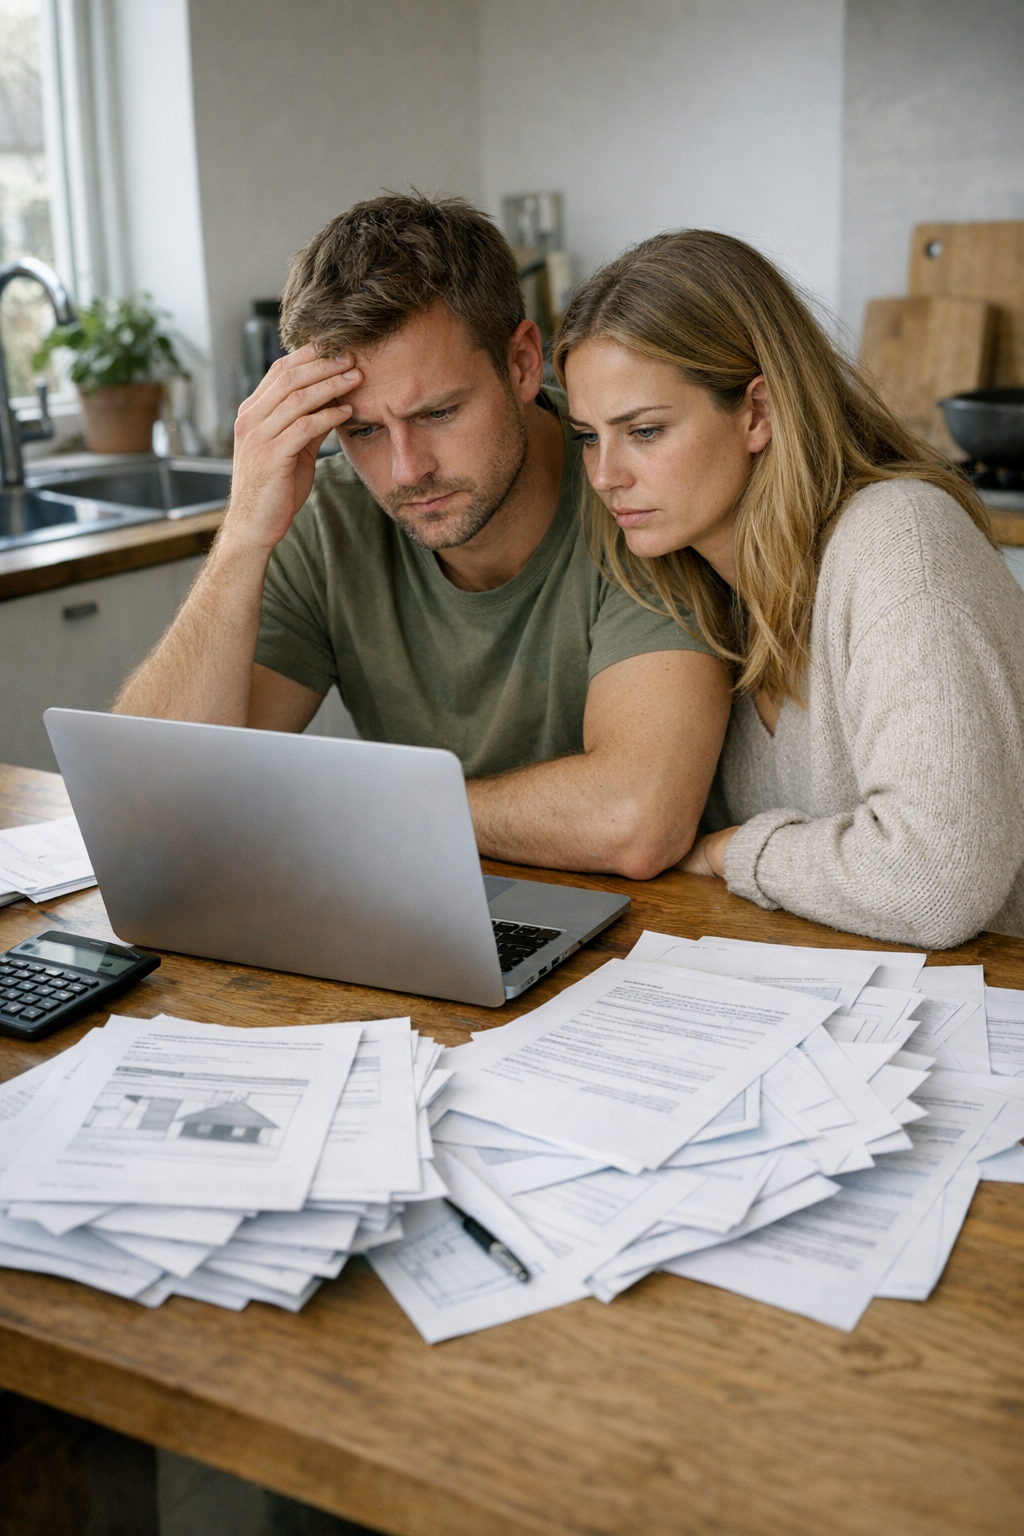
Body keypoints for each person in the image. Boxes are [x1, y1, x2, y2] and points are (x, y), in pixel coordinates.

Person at [114, 196, 731, 879]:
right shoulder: (330, 523)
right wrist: (241, 539)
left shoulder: (633, 501)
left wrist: (370, 808)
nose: (408, 472)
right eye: (363, 432)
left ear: (523, 363)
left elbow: (633, 820)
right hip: (425, 915)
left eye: (438, 412)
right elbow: (156, 803)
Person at [556, 228, 1024, 947]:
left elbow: (937, 879)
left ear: (758, 412)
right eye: (589, 436)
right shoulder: (691, 578)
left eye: (644, 432)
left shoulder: (903, 544)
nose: (604, 475)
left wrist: (731, 852)